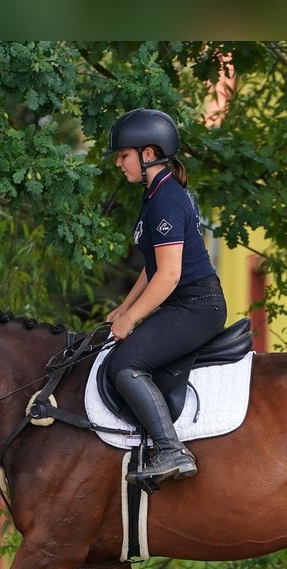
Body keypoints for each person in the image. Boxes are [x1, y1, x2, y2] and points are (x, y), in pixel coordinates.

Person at [104, 108, 228, 485]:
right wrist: (123, 308)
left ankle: (172, 451)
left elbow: (171, 275)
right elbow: (153, 267)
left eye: (123, 156)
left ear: (147, 153)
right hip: (185, 302)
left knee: (124, 366)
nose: (119, 164)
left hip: (196, 305)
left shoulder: (166, 199)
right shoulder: (157, 194)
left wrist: (132, 319)